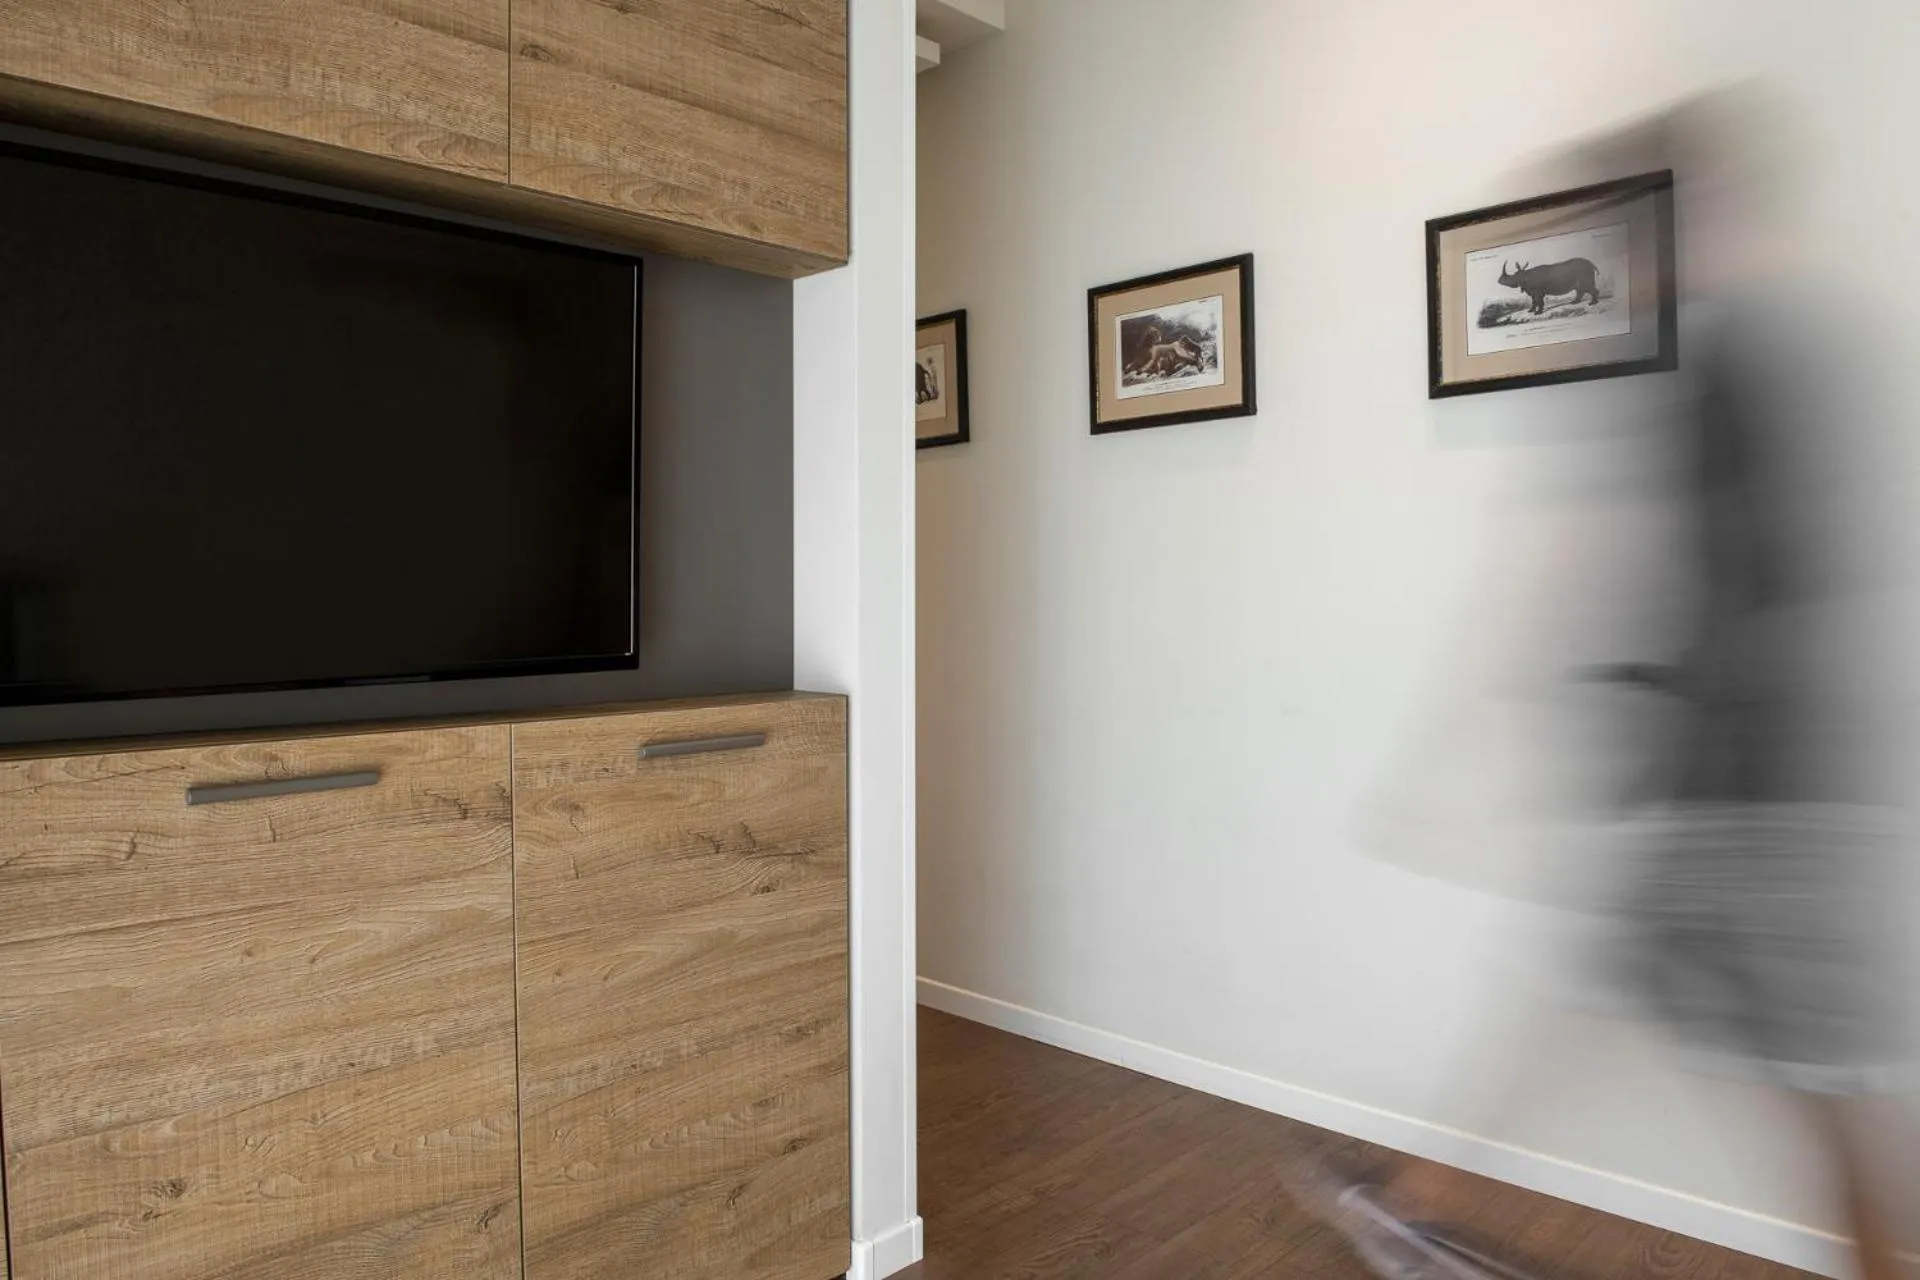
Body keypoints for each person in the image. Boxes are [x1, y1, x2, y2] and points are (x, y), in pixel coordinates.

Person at [1305, 85, 1917, 1280]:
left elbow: (1678, 573)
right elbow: (1768, 574)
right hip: (1767, 786)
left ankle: (1413, 1210)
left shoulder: (1733, 360)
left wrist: (1590, 703)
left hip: (1741, 800)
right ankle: (1416, 1202)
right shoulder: (1793, 345)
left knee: (1730, 1051)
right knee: (1674, 1029)